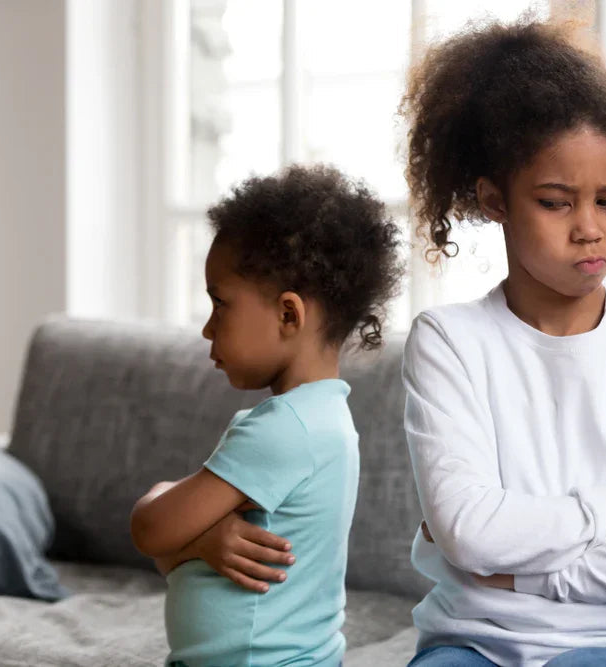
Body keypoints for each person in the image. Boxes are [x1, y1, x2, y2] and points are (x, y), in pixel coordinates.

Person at [399, 18, 606, 667]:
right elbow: (469, 533)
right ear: (495, 201)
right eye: (556, 203)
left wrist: (530, 577)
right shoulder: (449, 342)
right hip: (472, 638)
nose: (590, 230)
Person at [130, 165, 402, 667]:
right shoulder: (323, 419)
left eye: (220, 305)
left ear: (288, 315)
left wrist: (190, 528)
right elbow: (168, 553)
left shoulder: (283, 430)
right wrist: (202, 543)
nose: (208, 330)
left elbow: (151, 530)